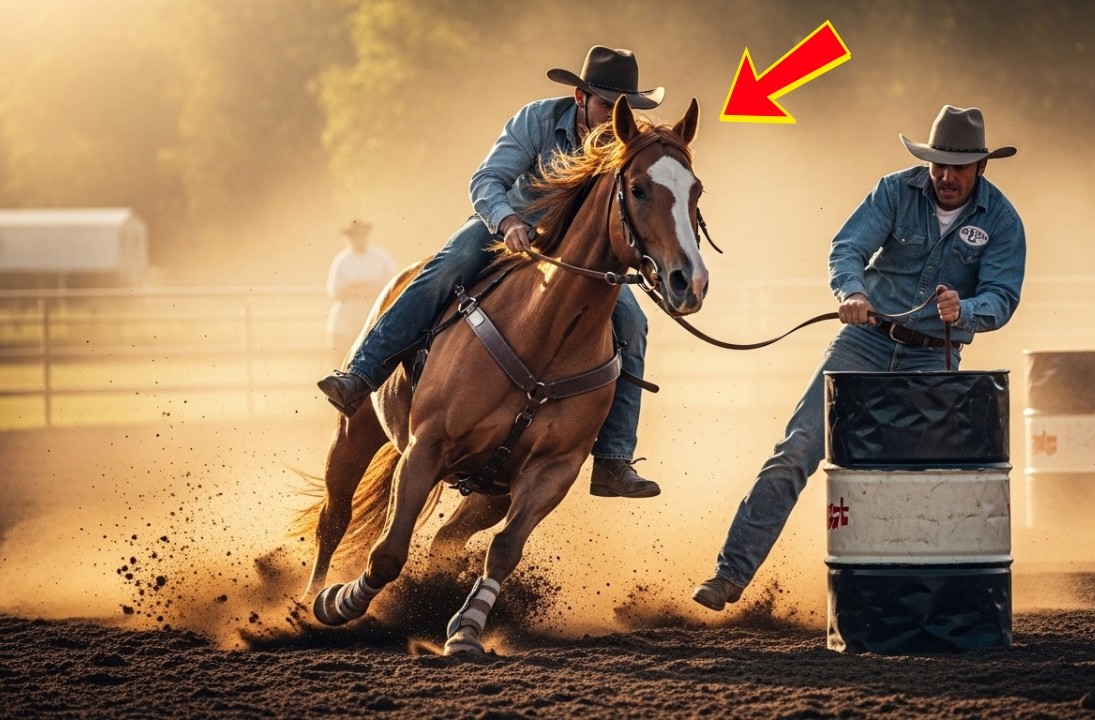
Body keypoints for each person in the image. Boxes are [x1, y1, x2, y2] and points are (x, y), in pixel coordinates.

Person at [693, 105, 1027, 610]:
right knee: (798, 448)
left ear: (981, 168)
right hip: (864, 340)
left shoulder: (1002, 220)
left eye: (958, 166)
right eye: (938, 164)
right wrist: (851, 292)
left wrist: (967, 309)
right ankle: (729, 575)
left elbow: (1002, 297)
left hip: (932, 356)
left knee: (920, 481)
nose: (946, 175)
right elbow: (847, 247)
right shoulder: (894, 191)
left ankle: (911, 598)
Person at [317, 46, 667, 499]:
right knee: (449, 267)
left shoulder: (627, 144)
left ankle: (614, 459)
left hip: (576, 261)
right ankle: (362, 376)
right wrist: (509, 222)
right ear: (580, 97)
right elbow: (486, 180)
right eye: (606, 104)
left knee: (633, 322)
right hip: (508, 229)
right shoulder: (536, 120)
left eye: (624, 108)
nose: (613, 117)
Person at [325, 219, 399, 368]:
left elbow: (394, 285)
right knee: (341, 361)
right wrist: (363, 289)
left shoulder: (382, 258)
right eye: (354, 235)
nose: (358, 239)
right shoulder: (342, 260)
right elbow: (335, 291)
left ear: (366, 235)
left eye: (360, 234)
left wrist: (363, 289)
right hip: (346, 319)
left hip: (373, 316)